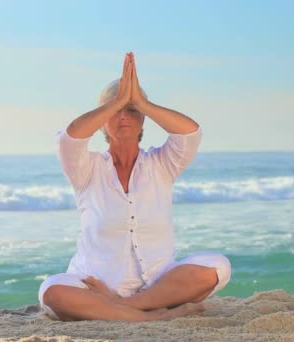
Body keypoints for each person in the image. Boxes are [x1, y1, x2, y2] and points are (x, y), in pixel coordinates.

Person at [38, 52, 231, 321]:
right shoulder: (85, 169)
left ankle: (126, 306)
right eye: (116, 111)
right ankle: (151, 316)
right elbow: (70, 137)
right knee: (51, 291)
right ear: (103, 120)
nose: (124, 117)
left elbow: (190, 132)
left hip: (158, 286)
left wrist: (141, 101)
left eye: (132, 111)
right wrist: (118, 100)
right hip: (92, 286)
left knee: (218, 267)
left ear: (143, 119)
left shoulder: (162, 164)